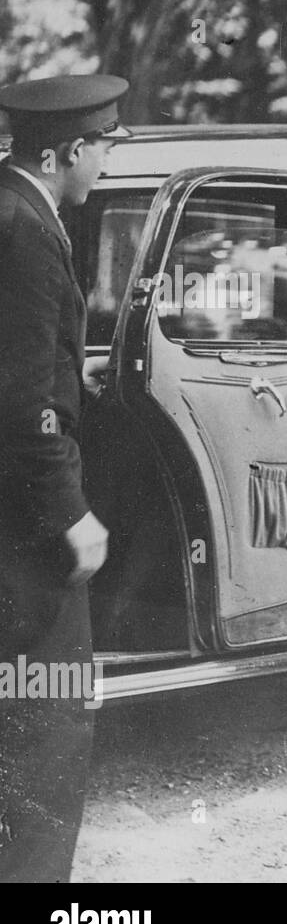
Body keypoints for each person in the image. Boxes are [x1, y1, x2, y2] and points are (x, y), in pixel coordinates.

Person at [0, 74, 131, 882]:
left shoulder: (11, 209)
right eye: (106, 147)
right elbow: (22, 402)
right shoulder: (28, 231)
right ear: (68, 152)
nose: (109, 162)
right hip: (26, 523)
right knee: (48, 718)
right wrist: (70, 513)